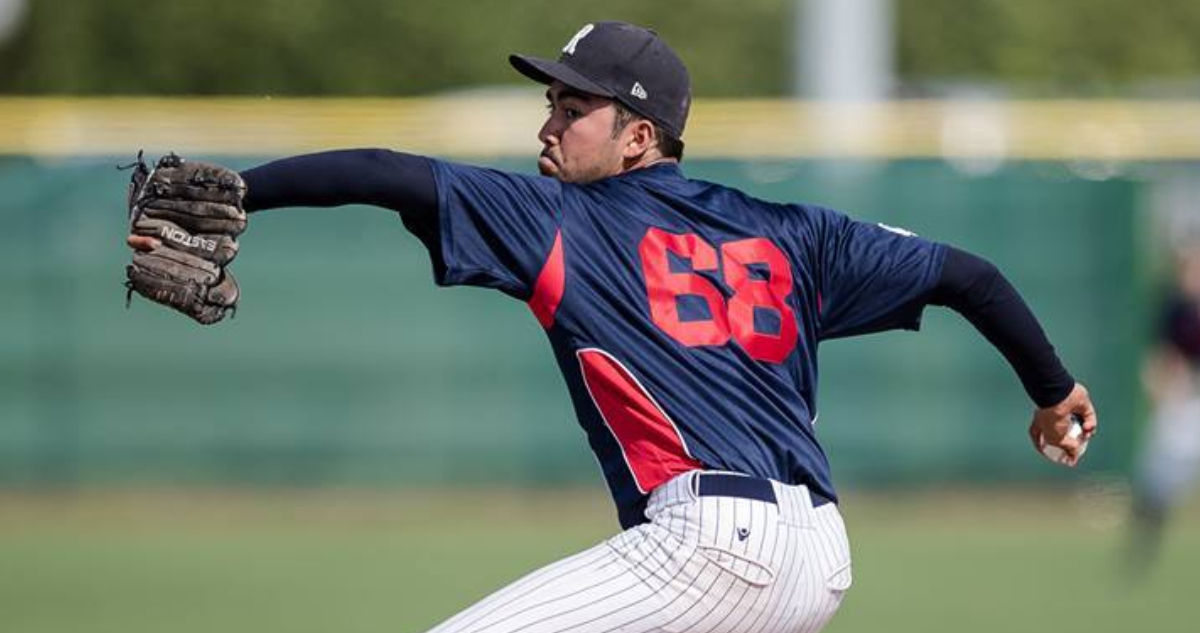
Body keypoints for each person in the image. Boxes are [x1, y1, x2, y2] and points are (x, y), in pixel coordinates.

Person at [127, 21, 1098, 633]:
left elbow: (387, 173)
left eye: (575, 107)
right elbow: (972, 276)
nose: (549, 123)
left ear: (639, 136)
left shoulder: (562, 221)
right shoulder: (796, 234)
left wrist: (245, 189)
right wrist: (1054, 393)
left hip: (713, 547)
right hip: (819, 556)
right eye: (550, 100)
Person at [1129, 241, 1200, 575]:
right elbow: (1159, 361)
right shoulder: (1173, 309)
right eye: (1188, 269)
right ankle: (1142, 548)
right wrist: (1162, 383)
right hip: (1181, 405)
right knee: (1155, 478)